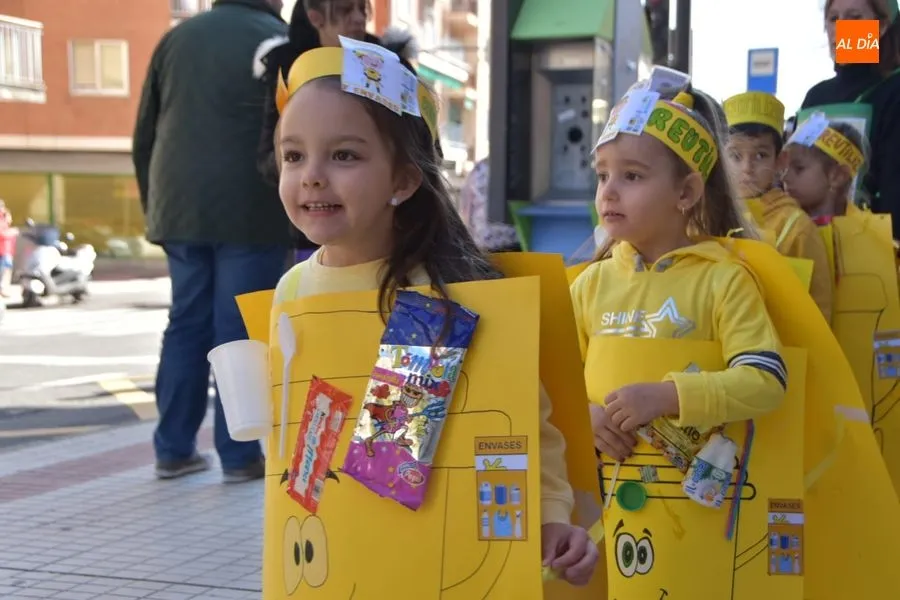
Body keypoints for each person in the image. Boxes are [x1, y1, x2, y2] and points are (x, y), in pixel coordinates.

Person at [272, 43, 599, 584]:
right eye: (293, 155)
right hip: (331, 562)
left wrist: (551, 517)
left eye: (344, 155)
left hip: (432, 564)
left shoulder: (438, 302)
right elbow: (295, 449)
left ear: (403, 180)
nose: (311, 176)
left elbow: (516, 431)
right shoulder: (291, 291)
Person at [573, 85, 786, 463]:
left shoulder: (725, 280)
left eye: (632, 176)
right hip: (600, 510)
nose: (608, 192)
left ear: (686, 193)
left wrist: (669, 396)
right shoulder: (589, 284)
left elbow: (766, 381)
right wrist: (582, 415)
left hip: (703, 515)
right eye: (603, 175)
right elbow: (552, 380)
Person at [132, 0, 291, 483]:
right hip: (251, 205)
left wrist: (156, 207)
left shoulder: (178, 38)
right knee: (237, 329)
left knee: (186, 322)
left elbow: (145, 131)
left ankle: (174, 449)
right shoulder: (276, 39)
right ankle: (239, 456)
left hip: (179, 204)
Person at [257, 0, 419, 264]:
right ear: (315, 17)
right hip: (310, 243)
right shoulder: (286, 69)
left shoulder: (392, 69)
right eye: (345, 10)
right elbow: (267, 154)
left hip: (393, 241)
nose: (357, 18)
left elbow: (425, 148)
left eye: (344, 155)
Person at [723, 91, 833, 321]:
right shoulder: (707, 216)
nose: (747, 168)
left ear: (780, 161)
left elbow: (817, 315)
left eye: (761, 155)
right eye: (735, 156)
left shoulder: (796, 228)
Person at [801, 0, 900, 236]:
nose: (842, 28)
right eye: (834, 19)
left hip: (877, 245)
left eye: (855, 18)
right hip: (814, 240)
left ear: (882, 26)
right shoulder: (815, 97)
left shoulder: (894, 90)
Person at [783, 117, 868, 224]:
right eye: (785, 168)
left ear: (838, 176)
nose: (785, 177)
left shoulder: (864, 238)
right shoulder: (776, 224)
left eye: (799, 168)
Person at [0, 200, 13, 297]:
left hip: (6, 249)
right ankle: (2, 289)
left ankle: (3, 288)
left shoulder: (4, 217)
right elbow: (2, 233)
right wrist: (13, 232)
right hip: (2, 250)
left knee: (6, 269)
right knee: (4, 269)